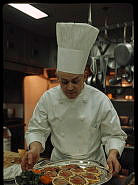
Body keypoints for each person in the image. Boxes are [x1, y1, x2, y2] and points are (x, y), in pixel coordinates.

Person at [21, 23, 127, 175]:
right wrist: (35, 149)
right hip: (58, 166)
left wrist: (112, 154)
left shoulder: (100, 100)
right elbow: (37, 130)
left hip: (94, 166)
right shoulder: (48, 99)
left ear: (85, 76)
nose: (70, 87)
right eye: (64, 81)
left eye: (75, 81)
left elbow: (113, 134)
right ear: (58, 77)